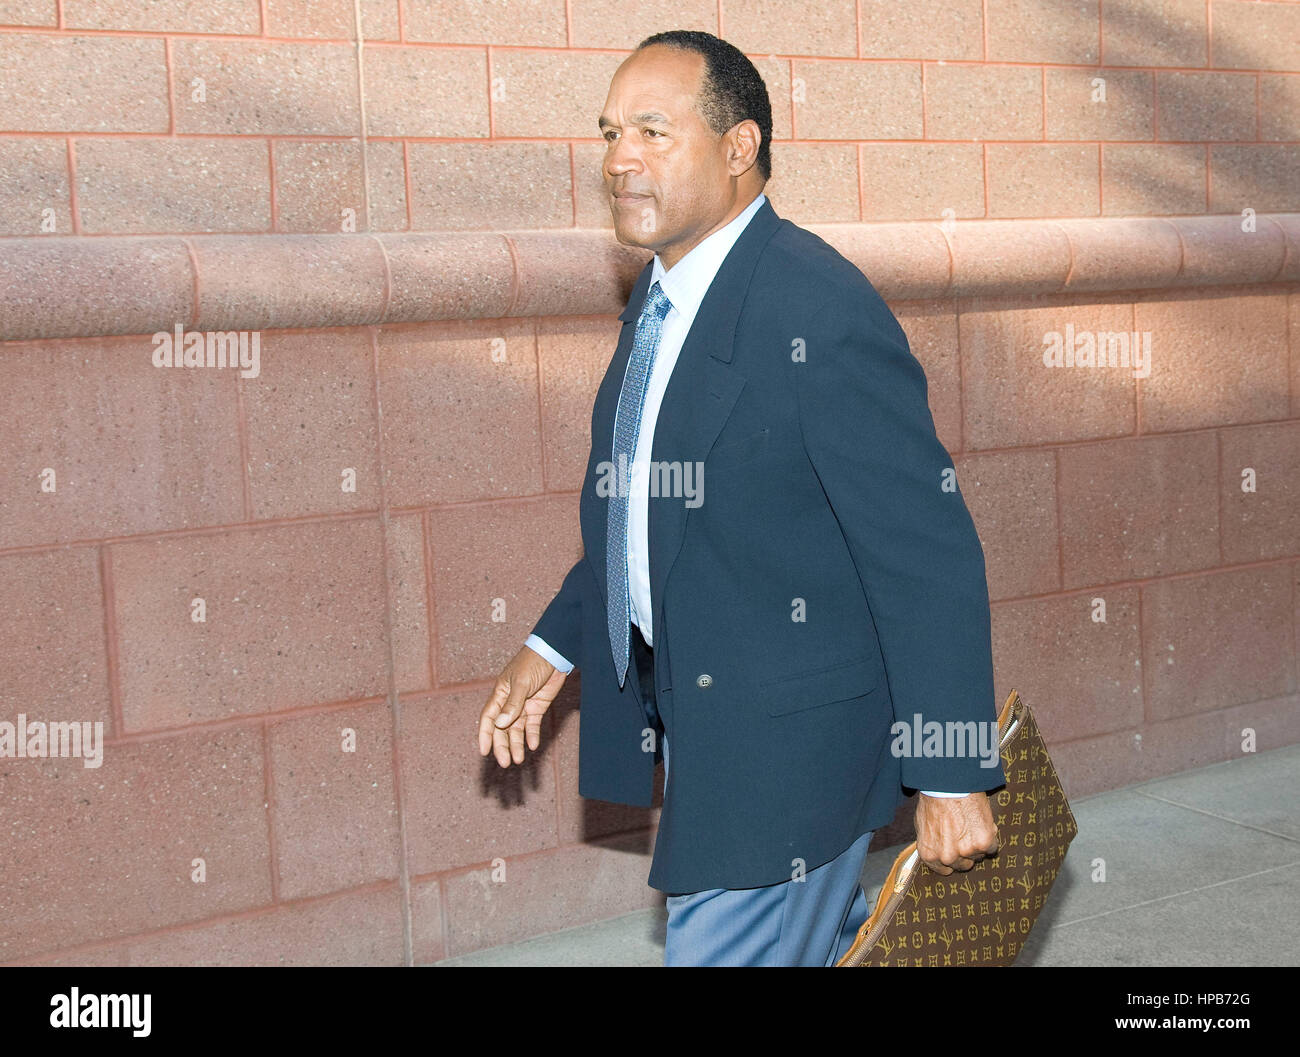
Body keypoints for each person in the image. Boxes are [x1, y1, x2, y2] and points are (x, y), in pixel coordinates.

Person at [478, 29, 1002, 967]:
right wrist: (557, 641)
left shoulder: (817, 305)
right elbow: (646, 502)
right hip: (713, 726)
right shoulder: (664, 292)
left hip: (787, 757)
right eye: (607, 134)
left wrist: (954, 767)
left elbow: (926, 549)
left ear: (739, 147)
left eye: (651, 131)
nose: (618, 161)